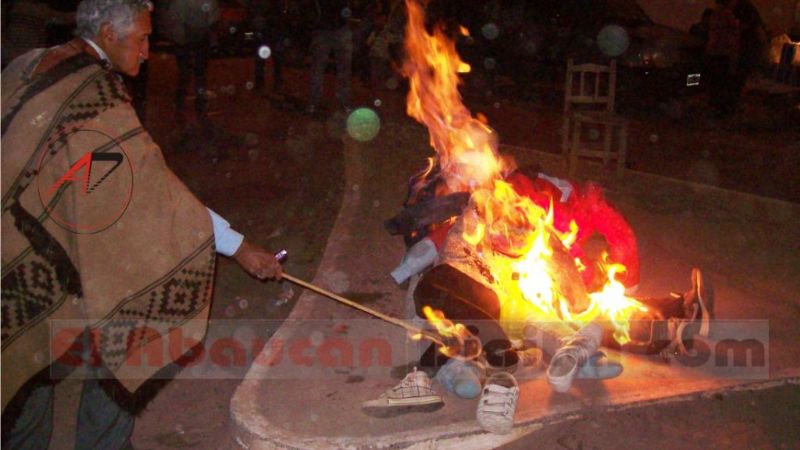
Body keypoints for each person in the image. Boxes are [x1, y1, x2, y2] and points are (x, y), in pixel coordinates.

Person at [1, 1, 282, 448]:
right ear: (110, 33)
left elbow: (81, 181)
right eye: (143, 39)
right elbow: (156, 196)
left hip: (14, 261)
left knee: (23, 381)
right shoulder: (99, 100)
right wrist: (241, 247)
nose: (149, 50)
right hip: (32, 263)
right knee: (131, 324)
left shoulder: (31, 64)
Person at [164, 0, 221, 122]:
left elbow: (175, 17)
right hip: (192, 38)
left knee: (189, 74)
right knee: (194, 74)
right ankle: (191, 106)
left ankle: (186, 105)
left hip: (191, 38)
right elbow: (213, 18)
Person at [305, 0, 354, 114]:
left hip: (332, 28)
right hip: (328, 29)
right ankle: (314, 102)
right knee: (327, 68)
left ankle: (314, 102)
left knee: (337, 69)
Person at [705, 0, 740, 116]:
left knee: (717, 81)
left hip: (717, 52)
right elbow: (729, 31)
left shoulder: (717, 14)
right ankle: (719, 107)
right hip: (721, 52)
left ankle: (716, 106)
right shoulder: (725, 14)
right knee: (721, 80)